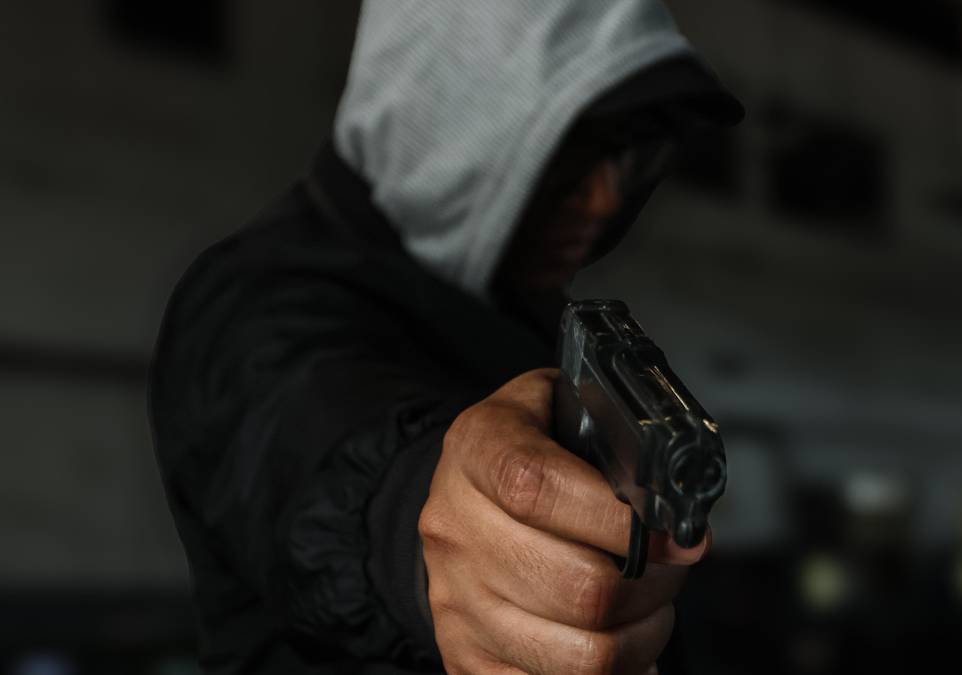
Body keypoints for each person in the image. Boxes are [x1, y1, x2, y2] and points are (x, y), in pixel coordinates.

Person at [148, 1, 743, 673]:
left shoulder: (525, 308)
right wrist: (428, 518)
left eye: (630, 153)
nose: (605, 199)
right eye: (567, 149)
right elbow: (310, 448)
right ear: (447, 113)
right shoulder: (247, 301)